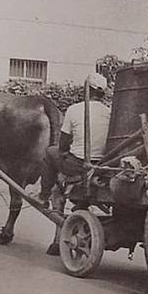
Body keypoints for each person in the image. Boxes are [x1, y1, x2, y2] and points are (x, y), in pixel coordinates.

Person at [38, 72, 111, 204]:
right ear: (102, 94)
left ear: (87, 90)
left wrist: (65, 153)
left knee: (50, 152)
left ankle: (43, 196)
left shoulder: (74, 109)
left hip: (79, 164)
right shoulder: (109, 112)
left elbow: (63, 143)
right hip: (102, 165)